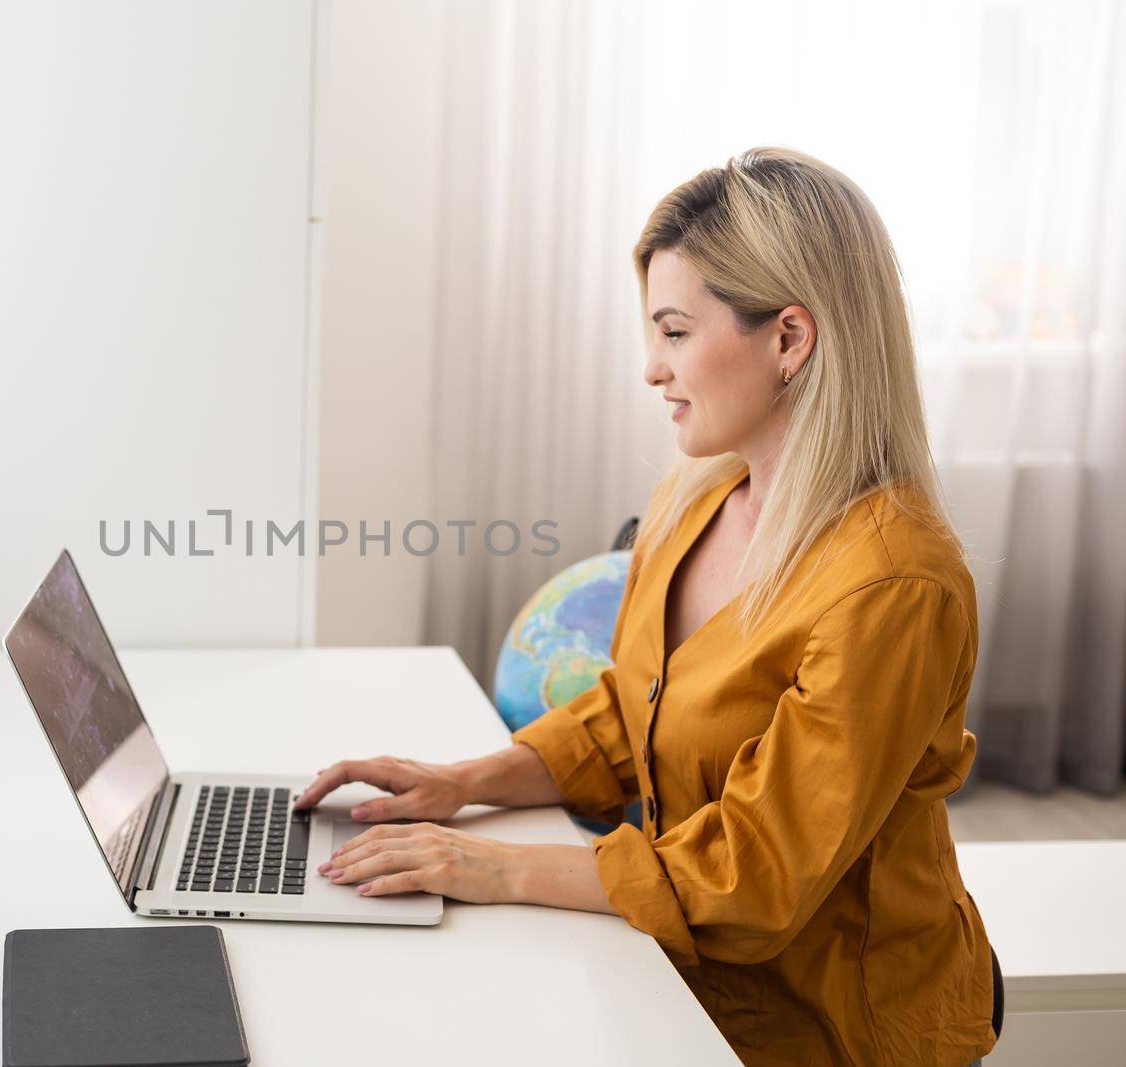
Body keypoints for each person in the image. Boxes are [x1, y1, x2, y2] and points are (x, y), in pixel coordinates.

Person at [292, 147, 1000, 1067]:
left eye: (673, 332)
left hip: (836, 1029)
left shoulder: (894, 584)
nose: (651, 370)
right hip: (676, 979)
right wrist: (463, 783)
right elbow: (637, 706)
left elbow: (757, 872)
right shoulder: (697, 496)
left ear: (790, 338)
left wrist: (492, 867)